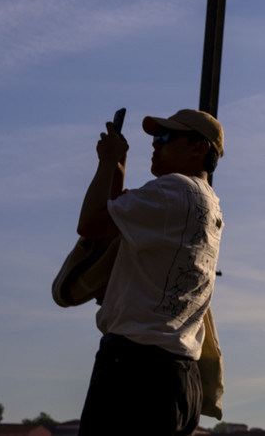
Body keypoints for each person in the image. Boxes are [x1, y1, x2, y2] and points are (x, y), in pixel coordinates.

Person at [75, 109, 224, 436]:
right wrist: (119, 169)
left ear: (200, 148)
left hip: (135, 371)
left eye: (166, 137)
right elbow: (119, 220)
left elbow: (90, 224)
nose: (155, 145)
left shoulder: (173, 190)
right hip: (178, 375)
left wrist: (105, 162)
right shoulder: (208, 203)